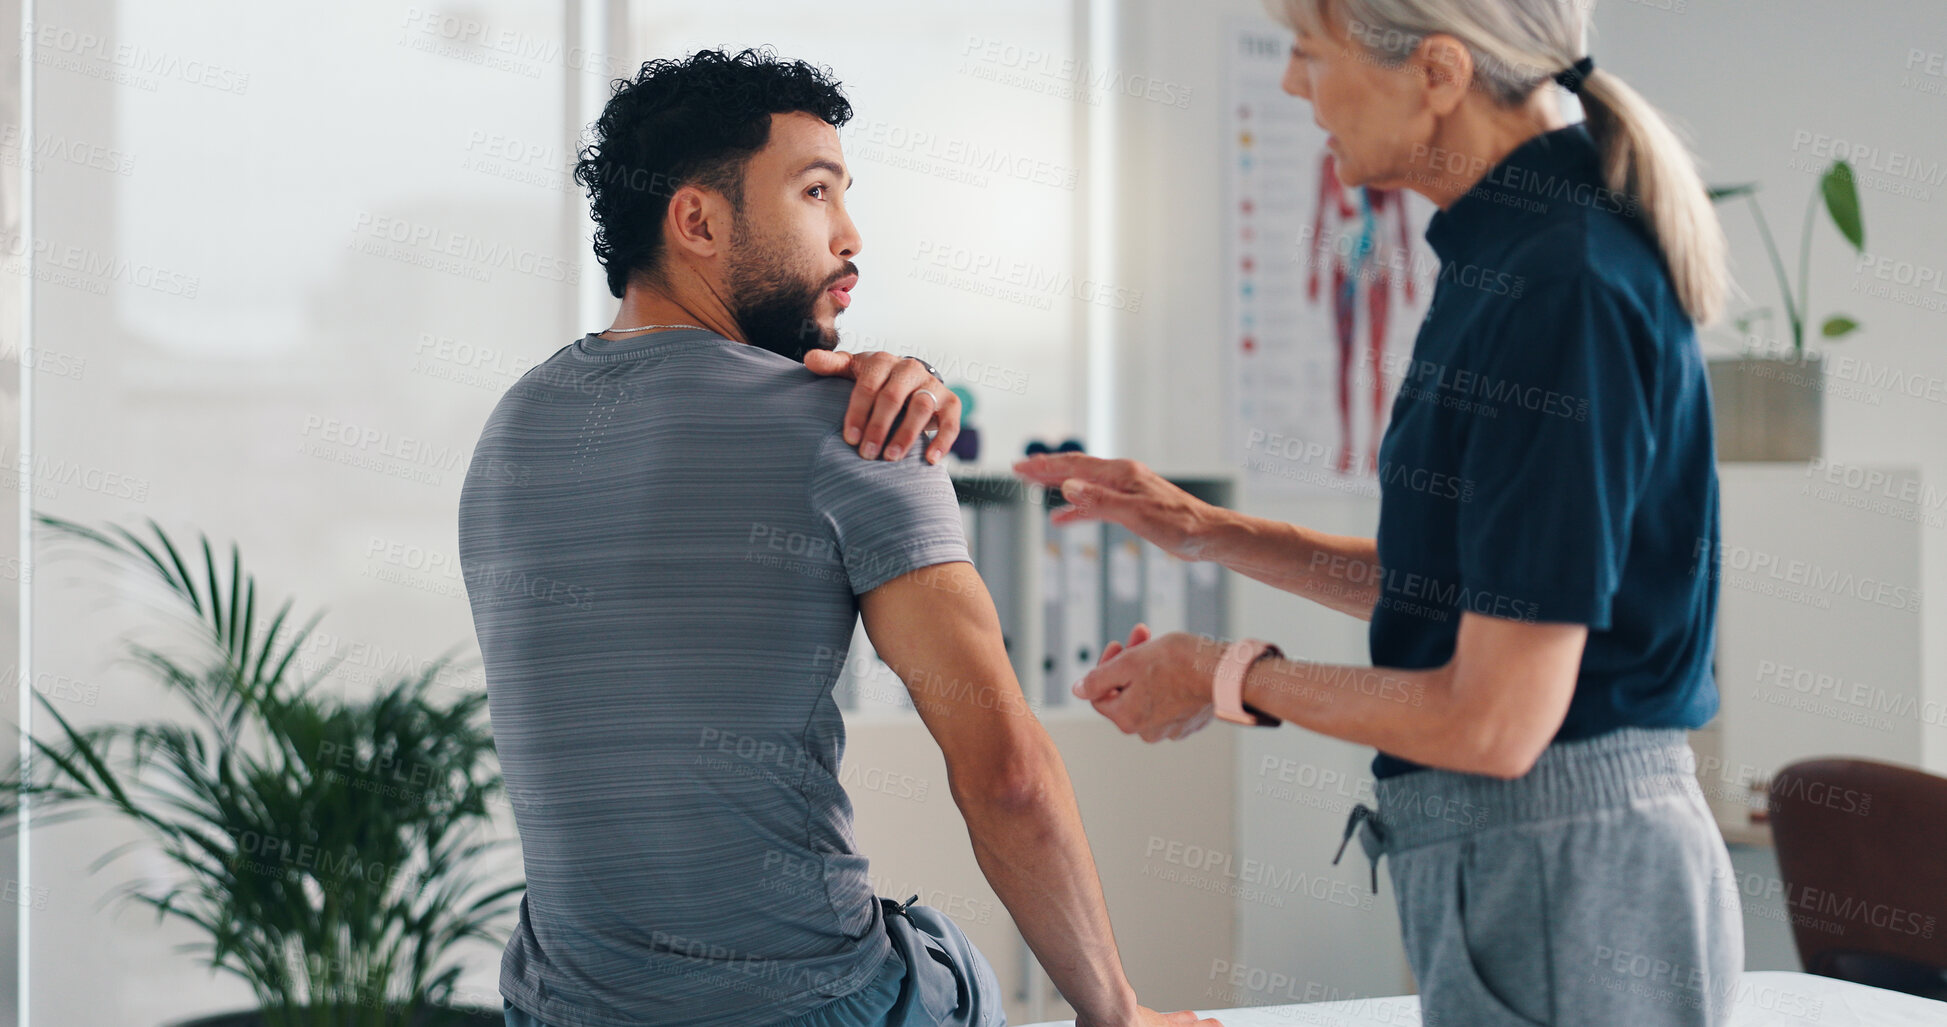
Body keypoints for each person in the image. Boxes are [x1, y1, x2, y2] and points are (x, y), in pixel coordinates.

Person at [1007, 2, 1745, 1025]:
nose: (1292, 86)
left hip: (1567, 868)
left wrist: (1221, 676)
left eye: (1309, 52)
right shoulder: (1514, 257)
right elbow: (1475, 594)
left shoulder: (1558, 285)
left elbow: (1493, 718)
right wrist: (1208, 531)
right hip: (1540, 860)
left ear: (1438, 73)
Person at [457, 47, 1217, 1027]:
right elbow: (1010, 777)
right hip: (809, 1006)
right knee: (951, 968)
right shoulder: (855, 430)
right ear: (697, 219)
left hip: (558, 1008)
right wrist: (1116, 1013)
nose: (851, 237)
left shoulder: (512, 427)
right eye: (817, 193)